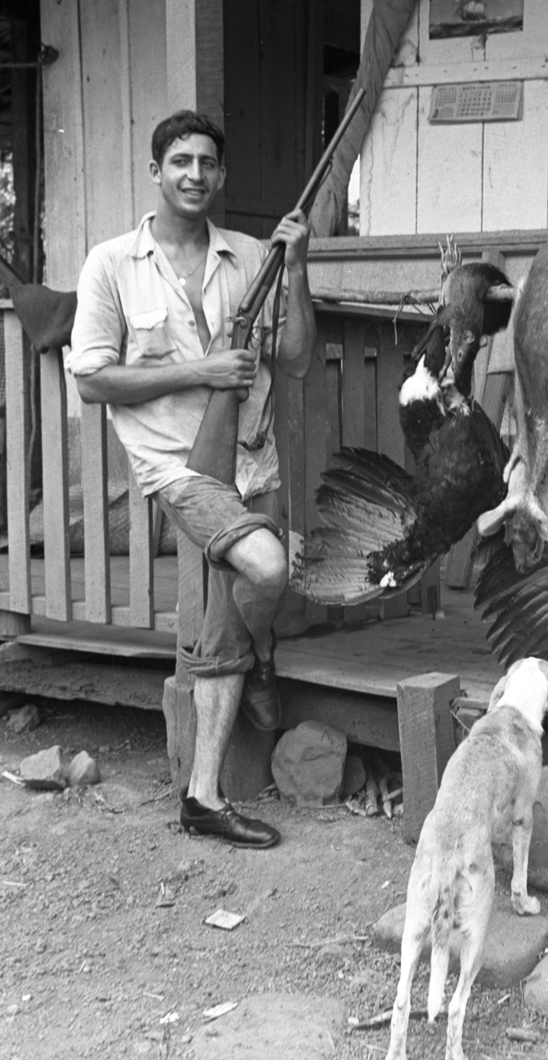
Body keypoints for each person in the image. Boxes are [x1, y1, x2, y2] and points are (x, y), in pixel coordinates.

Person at [68, 111, 316, 848]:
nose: (195, 174)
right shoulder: (111, 263)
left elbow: (297, 358)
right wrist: (201, 370)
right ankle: (264, 655)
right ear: (156, 172)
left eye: (208, 162)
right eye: (181, 161)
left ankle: (203, 796)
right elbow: (92, 382)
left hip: (252, 461)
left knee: (218, 621)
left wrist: (296, 269)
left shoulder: (251, 257)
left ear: (222, 176)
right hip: (176, 469)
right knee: (267, 563)